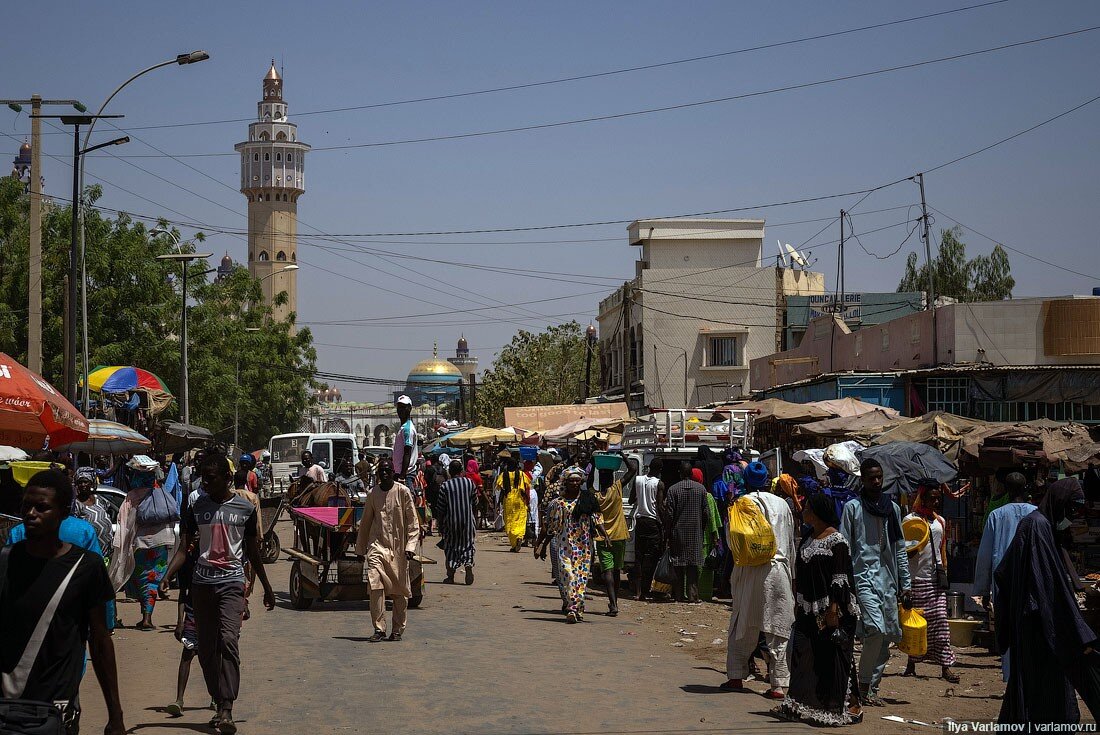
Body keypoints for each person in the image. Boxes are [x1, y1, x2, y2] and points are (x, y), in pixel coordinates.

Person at [0, 469, 125, 734]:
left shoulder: (86, 567)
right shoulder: (5, 561)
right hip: (8, 706)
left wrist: (115, 715)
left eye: (41, 507)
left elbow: (100, 641)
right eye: (26, 506)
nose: (30, 513)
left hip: (57, 707)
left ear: (63, 513)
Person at [162, 453, 275, 735]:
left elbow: (252, 552)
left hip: (232, 582)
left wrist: (266, 587)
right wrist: (166, 576)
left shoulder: (245, 508)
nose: (205, 483)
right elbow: (184, 548)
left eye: (210, 478)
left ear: (226, 478)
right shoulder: (196, 507)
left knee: (228, 641)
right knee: (205, 649)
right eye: (203, 477)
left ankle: (227, 707)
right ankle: (218, 697)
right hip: (202, 584)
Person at [996, 477, 1097, 725]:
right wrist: (1075, 629)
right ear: (1060, 502)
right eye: (1071, 508)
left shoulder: (1043, 526)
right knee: (1043, 684)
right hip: (1038, 624)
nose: (1071, 516)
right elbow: (1046, 585)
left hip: (1038, 622)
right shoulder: (1037, 526)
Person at [778, 492, 863, 726]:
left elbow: (839, 577)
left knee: (831, 658)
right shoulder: (808, 537)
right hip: (808, 610)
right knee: (802, 655)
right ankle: (799, 703)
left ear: (816, 513)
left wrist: (833, 610)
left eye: (806, 509)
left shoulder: (837, 541)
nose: (802, 512)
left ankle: (838, 706)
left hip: (832, 611)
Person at [839, 457, 911, 706]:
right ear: (863, 479)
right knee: (875, 629)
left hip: (888, 581)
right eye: (872, 478)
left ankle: (872, 688)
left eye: (880, 477)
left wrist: (906, 585)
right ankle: (863, 683)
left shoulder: (893, 509)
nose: (877, 482)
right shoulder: (853, 508)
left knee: (885, 637)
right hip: (862, 578)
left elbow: (900, 548)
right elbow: (844, 546)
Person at [723, 461, 796, 699]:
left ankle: (735, 676)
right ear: (767, 480)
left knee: (742, 622)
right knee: (778, 628)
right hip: (778, 572)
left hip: (748, 571)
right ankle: (778, 685)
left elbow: (731, 542)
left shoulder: (740, 505)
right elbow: (790, 541)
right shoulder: (783, 506)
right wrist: (792, 575)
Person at [973, 472, 1034, 681]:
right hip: (1030, 582)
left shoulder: (996, 516)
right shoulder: (1036, 514)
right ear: (1025, 488)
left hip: (1003, 584)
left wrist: (983, 590)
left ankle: (1010, 679)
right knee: (1028, 631)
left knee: (1006, 630)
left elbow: (985, 555)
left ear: (1006, 490)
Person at [355, 461, 420, 642]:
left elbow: (413, 523)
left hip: (399, 549)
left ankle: (397, 629)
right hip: (377, 546)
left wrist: (410, 548)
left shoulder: (403, 492)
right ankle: (379, 628)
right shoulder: (373, 494)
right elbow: (366, 523)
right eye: (381, 471)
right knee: (375, 585)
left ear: (393, 473)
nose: (384, 474)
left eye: (387, 471)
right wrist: (360, 549)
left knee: (399, 591)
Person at [110, 454, 177, 630]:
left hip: (139, 545)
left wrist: (121, 546)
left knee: (141, 579)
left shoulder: (132, 497)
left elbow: (123, 524)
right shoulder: (161, 494)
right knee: (153, 579)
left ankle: (145, 618)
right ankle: (147, 616)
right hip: (161, 544)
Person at [902, 482, 958, 683]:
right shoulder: (910, 521)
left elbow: (942, 552)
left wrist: (944, 573)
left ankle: (946, 667)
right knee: (917, 624)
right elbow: (903, 550)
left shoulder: (940, 522)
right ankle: (911, 663)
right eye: (931, 498)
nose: (935, 501)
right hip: (915, 579)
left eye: (937, 498)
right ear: (922, 498)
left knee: (941, 623)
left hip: (935, 580)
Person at [535, 467, 605, 623]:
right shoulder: (557, 503)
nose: (574, 483)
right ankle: (573, 607)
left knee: (581, 580)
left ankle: (575, 609)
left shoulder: (587, 499)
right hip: (564, 546)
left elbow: (597, 517)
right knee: (568, 576)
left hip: (584, 546)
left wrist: (604, 534)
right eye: (571, 480)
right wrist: (540, 544)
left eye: (577, 480)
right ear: (565, 482)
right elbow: (549, 527)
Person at [593, 457, 636, 617]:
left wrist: (593, 462)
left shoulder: (596, 496)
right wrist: (623, 456)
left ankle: (613, 602)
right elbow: (632, 470)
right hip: (619, 536)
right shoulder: (617, 488)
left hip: (602, 537)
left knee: (607, 570)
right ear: (612, 479)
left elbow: (589, 483)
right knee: (617, 570)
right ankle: (614, 601)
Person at [664, 461, 708, 603]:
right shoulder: (701, 489)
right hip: (695, 532)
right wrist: (702, 527)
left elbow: (669, 514)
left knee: (678, 564)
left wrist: (668, 531)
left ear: (680, 473)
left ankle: (678, 595)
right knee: (693, 565)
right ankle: (693, 596)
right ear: (691, 473)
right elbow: (706, 512)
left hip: (678, 532)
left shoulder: (673, 490)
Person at [630, 457, 667, 600]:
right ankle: (646, 590)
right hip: (653, 523)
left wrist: (641, 497)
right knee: (651, 558)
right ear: (660, 470)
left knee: (638, 558)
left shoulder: (638, 480)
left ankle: (638, 592)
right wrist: (665, 524)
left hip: (640, 521)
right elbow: (659, 506)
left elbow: (631, 499)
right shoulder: (659, 484)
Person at [437, 460, 477, 585]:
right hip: (468, 521)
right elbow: (475, 503)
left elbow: (441, 508)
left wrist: (440, 525)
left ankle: (451, 575)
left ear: (450, 471)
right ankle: (468, 564)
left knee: (450, 547)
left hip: (451, 522)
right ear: (461, 471)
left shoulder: (445, 486)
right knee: (468, 544)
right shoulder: (470, 483)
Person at [496, 452, 530, 552]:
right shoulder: (521, 474)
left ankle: (514, 542)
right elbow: (524, 489)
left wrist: (498, 503)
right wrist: (527, 502)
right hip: (519, 499)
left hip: (508, 499)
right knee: (520, 519)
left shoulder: (504, 475)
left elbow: (501, 490)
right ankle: (519, 536)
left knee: (509, 521)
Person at [392, 395, 418, 482]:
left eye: (403, 407)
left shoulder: (407, 429)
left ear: (409, 408)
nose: (400, 410)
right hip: (400, 473)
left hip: (406, 475)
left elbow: (407, 452)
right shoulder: (403, 428)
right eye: (399, 407)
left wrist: (402, 477)